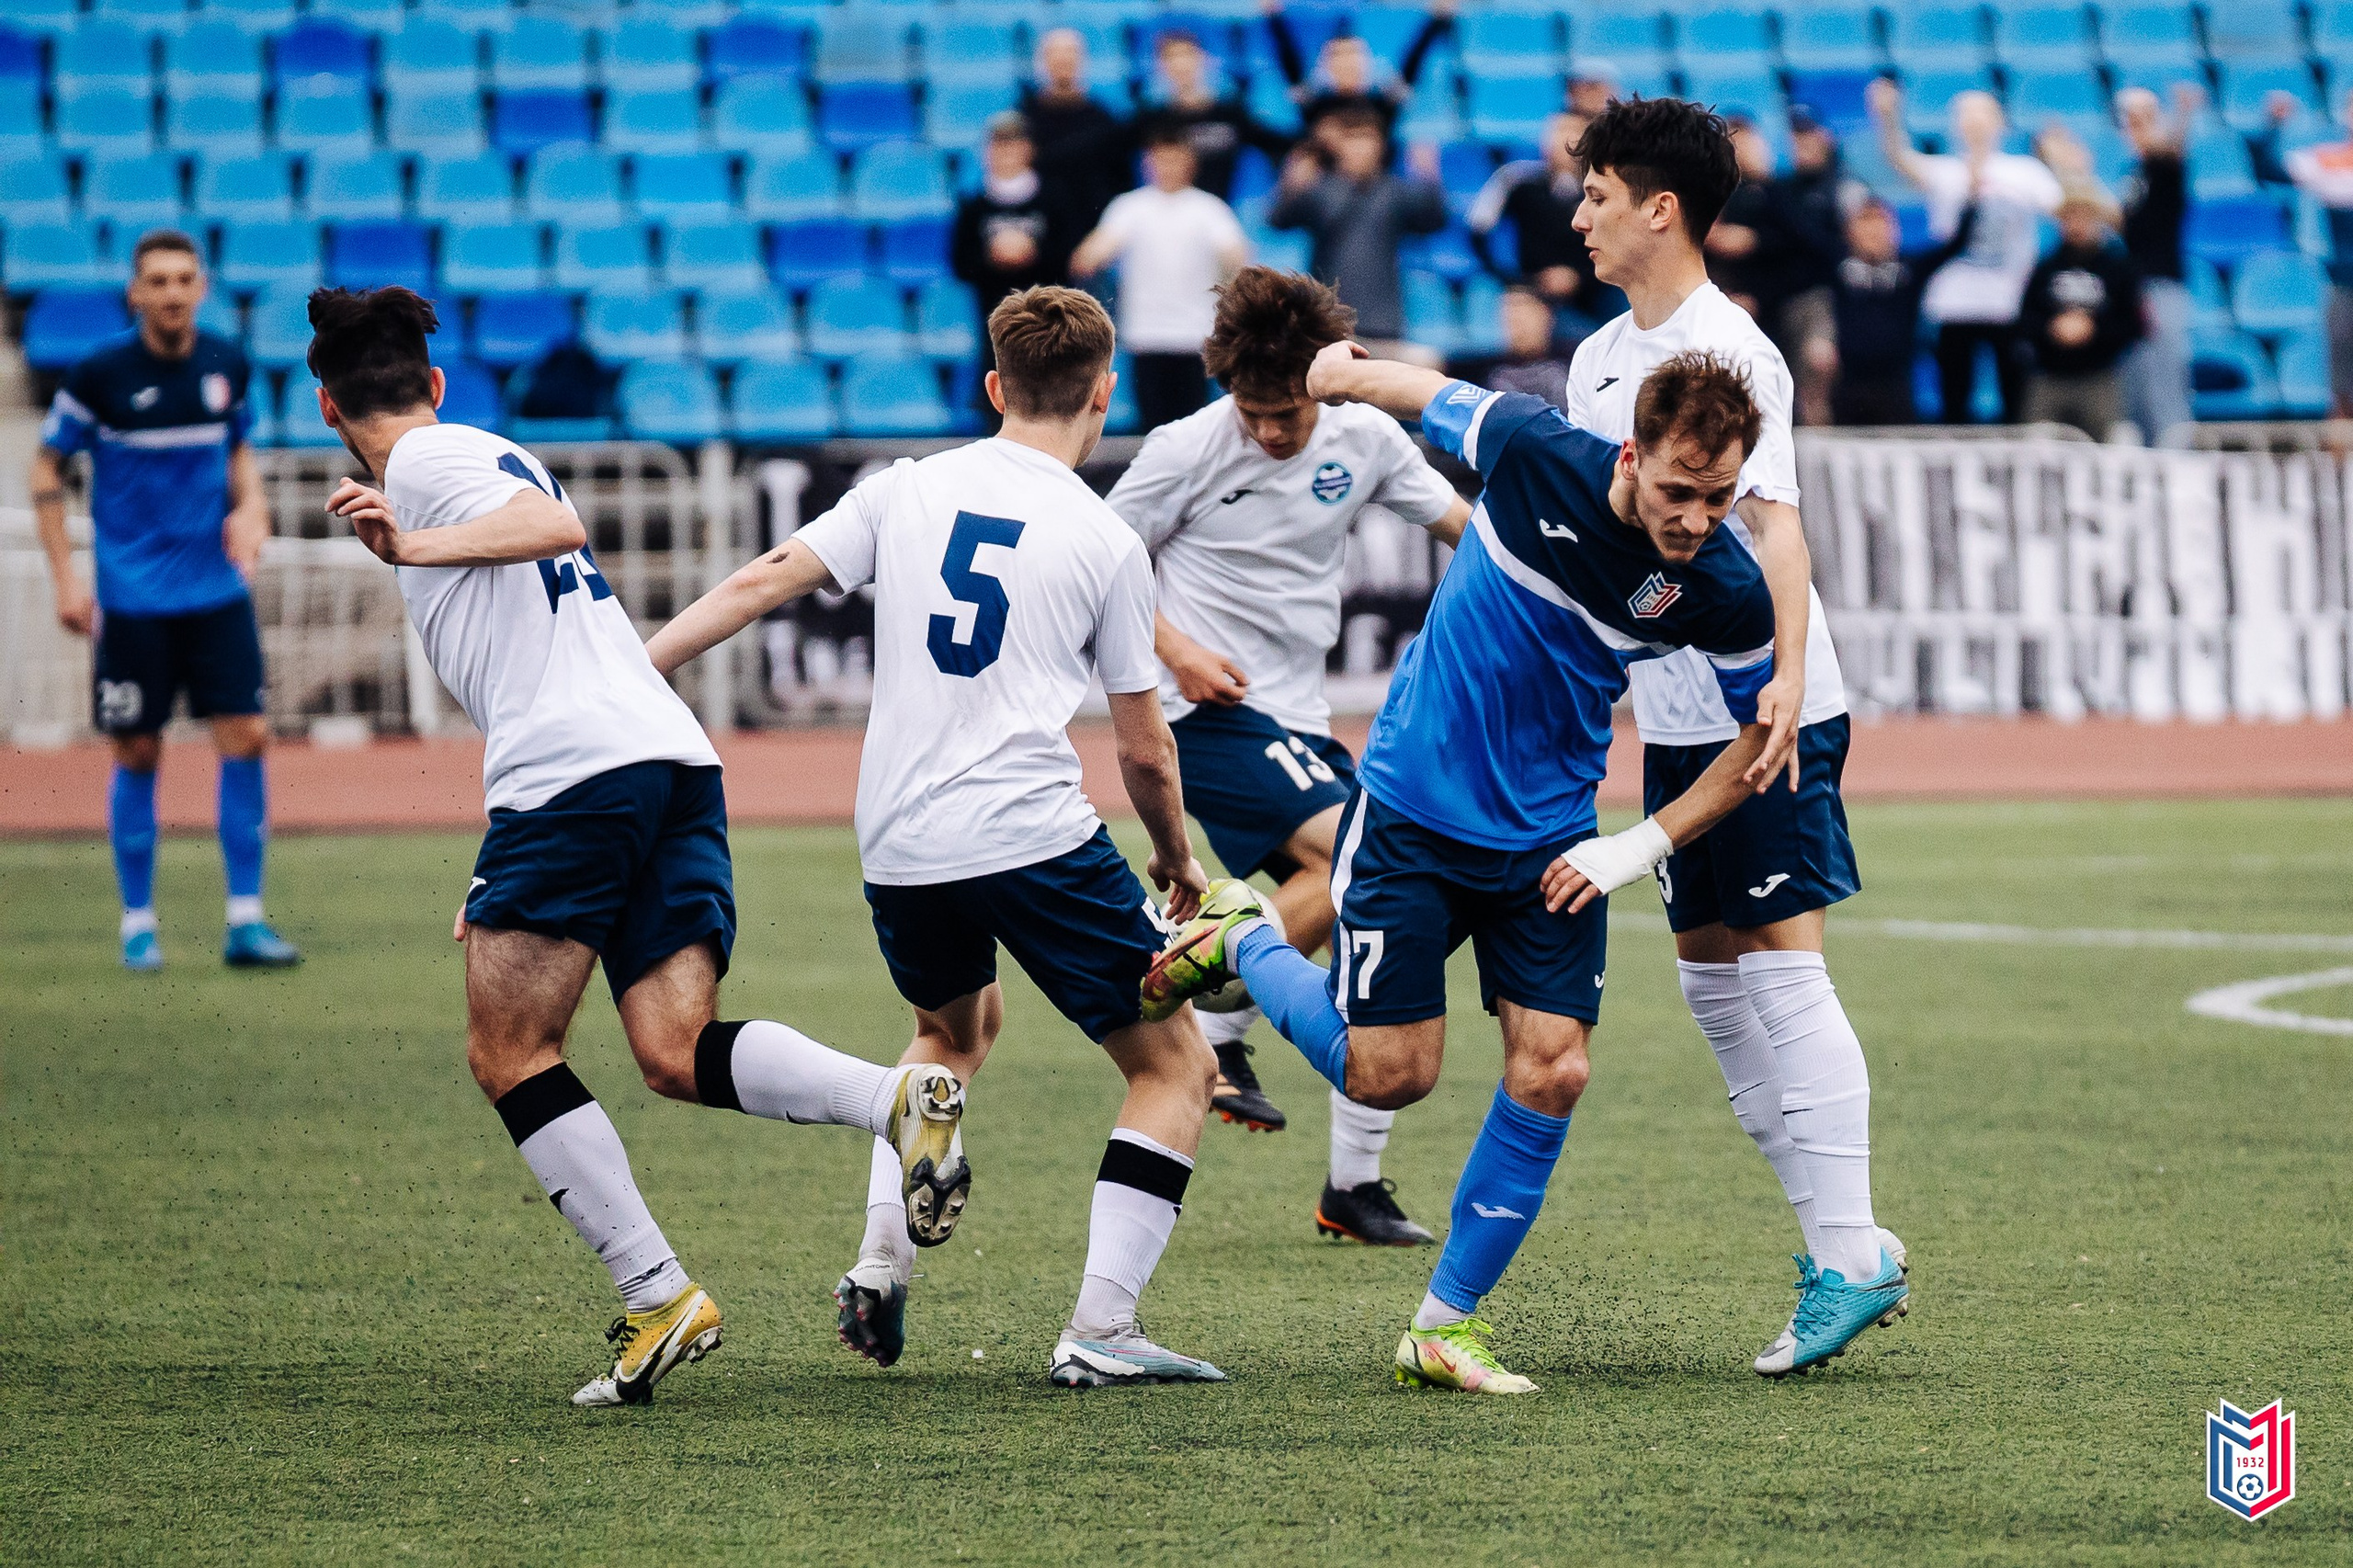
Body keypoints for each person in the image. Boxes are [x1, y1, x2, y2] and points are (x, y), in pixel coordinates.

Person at [1147, 347, 1893, 1397]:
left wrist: (1633, 846)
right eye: (1678, 490)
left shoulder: (1724, 586)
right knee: (1386, 1073)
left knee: (1554, 1067)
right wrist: (1335, 370)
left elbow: (1754, 753)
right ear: (1631, 454)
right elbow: (1414, 391)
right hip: (1411, 811)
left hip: (1550, 841)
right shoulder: (1535, 447)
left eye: (1719, 496)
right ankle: (1241, 938)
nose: (1696, 516)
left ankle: (1443, 1325)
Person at [313, 286, 968, 1409]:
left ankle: (657, 1292)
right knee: (672, 1045)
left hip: (576, 775)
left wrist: (410, 541)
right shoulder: (486, 445)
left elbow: (557, 532)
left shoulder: (424, 465)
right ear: (432, 377)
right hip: (659, 757)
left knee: (508, 1048)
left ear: (327, 405)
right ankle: (893, 1101)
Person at [647, 287, 1228, 1391]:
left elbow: (767, 577)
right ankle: (1102, 1325)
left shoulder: (905, 488)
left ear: (994, 388)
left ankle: (880, 1262)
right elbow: (1144, 748)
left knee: (950, 1037)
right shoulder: (1104, 538)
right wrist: (1175, 856)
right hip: (1029, 832)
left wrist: (637, 671)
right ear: (1103, 396)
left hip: (901, 841)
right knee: (1175, 1064)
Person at [1563, 95, 1908, 1379]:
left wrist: (1786, 683)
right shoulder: (1603, 357)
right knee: (1710, 978)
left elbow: (1777, 529)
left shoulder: (1734, 350)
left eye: (1597, 193)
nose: (1581, 213)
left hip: (1764, 705)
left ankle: (1847, 1257)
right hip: (1673, 710)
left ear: (1661, 206)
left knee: (1777, 962)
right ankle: (1851, 1231)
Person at [1104, 267, 1471, 1244]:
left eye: (1288, 411)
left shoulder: (1364, 436)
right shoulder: (1186, 446)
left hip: (1297, 719)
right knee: (1367, 866)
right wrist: (1174, 646)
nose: (1271, 430)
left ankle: (1353, 1183)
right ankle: (1221, 1015)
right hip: (1202, 716)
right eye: (1253, 411)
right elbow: (1097, 559)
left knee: (1389, 914)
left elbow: (1461, 530)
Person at [32, 229, 298, 973]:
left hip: (216, 592)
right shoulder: (100, 375)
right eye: (158, 280)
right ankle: (137, 924)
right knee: (139, 749)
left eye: (185, 278)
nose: (173, 292)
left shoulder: (226, 363)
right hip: (134, 598)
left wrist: (253, 507)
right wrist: (66, 576)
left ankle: (245, 921)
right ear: (136, 293)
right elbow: (44, 470)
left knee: (247, 735)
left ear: (202, 286)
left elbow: (238, 449)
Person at [1871, 79, 2062, 422]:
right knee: (1955, 401)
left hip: (2010, 302)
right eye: (1965, 115)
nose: (1973, 123)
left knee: (2015, 400)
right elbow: (1899, 159)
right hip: (1953, 303)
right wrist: (1887, 117)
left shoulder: (2024, 172)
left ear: (1999, 121)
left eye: (1981, 114)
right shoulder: (1945, 171)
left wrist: (2064, 162)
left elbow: (2067, 210)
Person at [1070, 119, 1250, 430]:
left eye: (1174, 159)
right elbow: (1088, 257)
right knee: (1151, 427)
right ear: (1147, 163)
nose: (1166, 167)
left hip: (1194, 336)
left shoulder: (1208, 209)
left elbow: (1238, 258)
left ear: (1190, 162)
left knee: (1192, 427)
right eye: (1159, 159)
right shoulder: (1130, 207)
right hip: (1146, 334)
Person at [1269, 107, 1449, 364]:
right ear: (1340, 146)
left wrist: (1430, 179)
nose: (1360, 148)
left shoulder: (1395, 191)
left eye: (1367, 138)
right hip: (1327, 322)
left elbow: (1434, 222)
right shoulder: (1320, 189)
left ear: (1380, 145)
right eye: (1352, 139)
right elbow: (1279, 222)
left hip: (1383, 321)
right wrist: (1290, 184)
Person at [950, 112, 1078, 426]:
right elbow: (960, 263)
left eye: (1013, 145)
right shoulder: (974, 205)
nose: (1006, 154)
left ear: (1028, 150)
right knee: (999, 400)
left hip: (1046, 323)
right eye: (998, 146)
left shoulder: (1053, 198)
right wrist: (993, 257)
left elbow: (1067, 259)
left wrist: (1031, 253)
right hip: (994, 324)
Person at [1826, 196, 1979, 425]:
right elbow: (1800, 233)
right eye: (1865, 222)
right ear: (1850, 231)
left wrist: (1972, 197)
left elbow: (1957, 242)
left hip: (1895, 383)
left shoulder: (1909, 269)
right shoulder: (1835, 266)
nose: (1874, 231)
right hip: (1849, 382)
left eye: (1881, 223)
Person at [1465, 110, 1608, 339]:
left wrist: (1578, 277)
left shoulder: (1604, 188)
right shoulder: (1518, 180)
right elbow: (1477, 230)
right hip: (1534, 296)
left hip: (1596, 293)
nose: (1562, 140)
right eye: (1556, 131)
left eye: (1571, 132)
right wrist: (1515, 281)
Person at [1752, 107, 1853, 426]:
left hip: (1819, 298)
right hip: (1776, 298)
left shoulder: (1841, 188)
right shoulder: (1785, 188)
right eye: (1797, 137)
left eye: (1808, 135)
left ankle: (1820, 458)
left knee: (1815, 371)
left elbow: (1828, 248)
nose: (1802, 144)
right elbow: (1771, 241)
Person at [2018, 183, 2143, 438]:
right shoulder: (2045, 268)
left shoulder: (2118, 269)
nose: (2076, 224)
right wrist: (2052, 328)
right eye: (2069, 216)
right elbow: (2024, 320)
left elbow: (2134, 324)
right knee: (2038, 448)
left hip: (2099, 377)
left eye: (2083, 216)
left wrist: (2093, 329)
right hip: (2050, 375)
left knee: (2108, 446)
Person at [1264, 0, 1453, 154]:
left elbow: (1412, 65)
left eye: (1353, 55)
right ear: (1326, 65)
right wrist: (1273, 18)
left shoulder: (1381, 104)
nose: (1346, 63)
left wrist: (1436, 19)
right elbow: (1290, 64)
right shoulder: (1316, 105)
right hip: (1325, 192)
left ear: (1365, 62)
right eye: (1338, 56)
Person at [2116, 86, 2194, 443]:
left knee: (2165, 378)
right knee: (2135, 380)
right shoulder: (2134, 174)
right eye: (2130, 122)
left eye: (2143, 120)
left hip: (2160, 284)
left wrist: (2182, 116)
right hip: (2133, 287)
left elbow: (2173, 153)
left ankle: (2176, 454)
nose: (2136, 129)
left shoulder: (2163, 168)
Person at [1135, 27, 1293, 202]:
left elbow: (1279, 142)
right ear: (1160, 65)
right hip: (1164, 212)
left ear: (1203, 59)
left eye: (1187, 54)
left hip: (1216, 212)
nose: (1181, 63)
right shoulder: (1151, 119)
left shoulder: (1229, 114)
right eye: (1171, 57)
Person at [1021, 28, 1130, 234]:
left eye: (1070, 53)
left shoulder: (1104, 119)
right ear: (1042, 61)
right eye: (1055, 53)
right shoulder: (1025, 118)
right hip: (1039, 233)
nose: (1063, 60)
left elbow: (1119, 182)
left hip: (1090, 230)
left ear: (1082, 60)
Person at [2285, 88, 2353, 415]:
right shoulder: (2331, 161)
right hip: (2344, 285)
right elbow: (2274, 167)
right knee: (2341, 385)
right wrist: (2278, 128)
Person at [1449, 286, 1574, 406]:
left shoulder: (1575, 356)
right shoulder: (1484, 367)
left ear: (1545, 314)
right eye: (1508, 311)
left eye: (1523, 310)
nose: (1515, 317)